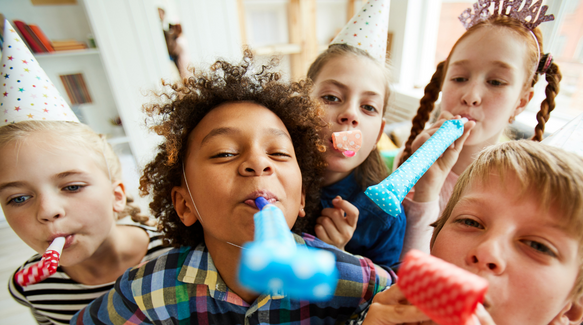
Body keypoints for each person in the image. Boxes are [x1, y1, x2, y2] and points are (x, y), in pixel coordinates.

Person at [71, 51, 395, 325]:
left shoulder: (355, 282)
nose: (258, 163)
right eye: (225, 152)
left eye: (279, 153)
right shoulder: (147, 291)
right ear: (184, 204)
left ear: (302, 199)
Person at [360, 140, 583, 324]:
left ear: (572, 308)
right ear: (434, 238)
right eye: (471, 223)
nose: (486, 251)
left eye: (537, 245)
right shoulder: (372, 308)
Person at [398, 5, 561, 255]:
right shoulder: (410, 163)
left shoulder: (520, 189)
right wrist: (427, 188)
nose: (471, 96)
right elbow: (400, 268)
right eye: (459, 78)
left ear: (521, 102)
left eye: (495, 82)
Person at [1, 121, 170, 325]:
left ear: (117, 196)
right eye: (19, 198)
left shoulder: (178, 252)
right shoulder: (30, 289)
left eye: (72, 187)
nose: (47, 211)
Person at [307, 0, 407, 268]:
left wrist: (342, 258)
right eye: (331, 97)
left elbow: (385, 296)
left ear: (378, 135)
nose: (350, 114)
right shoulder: (270, 175)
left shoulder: (384, 215)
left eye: (368, 107)